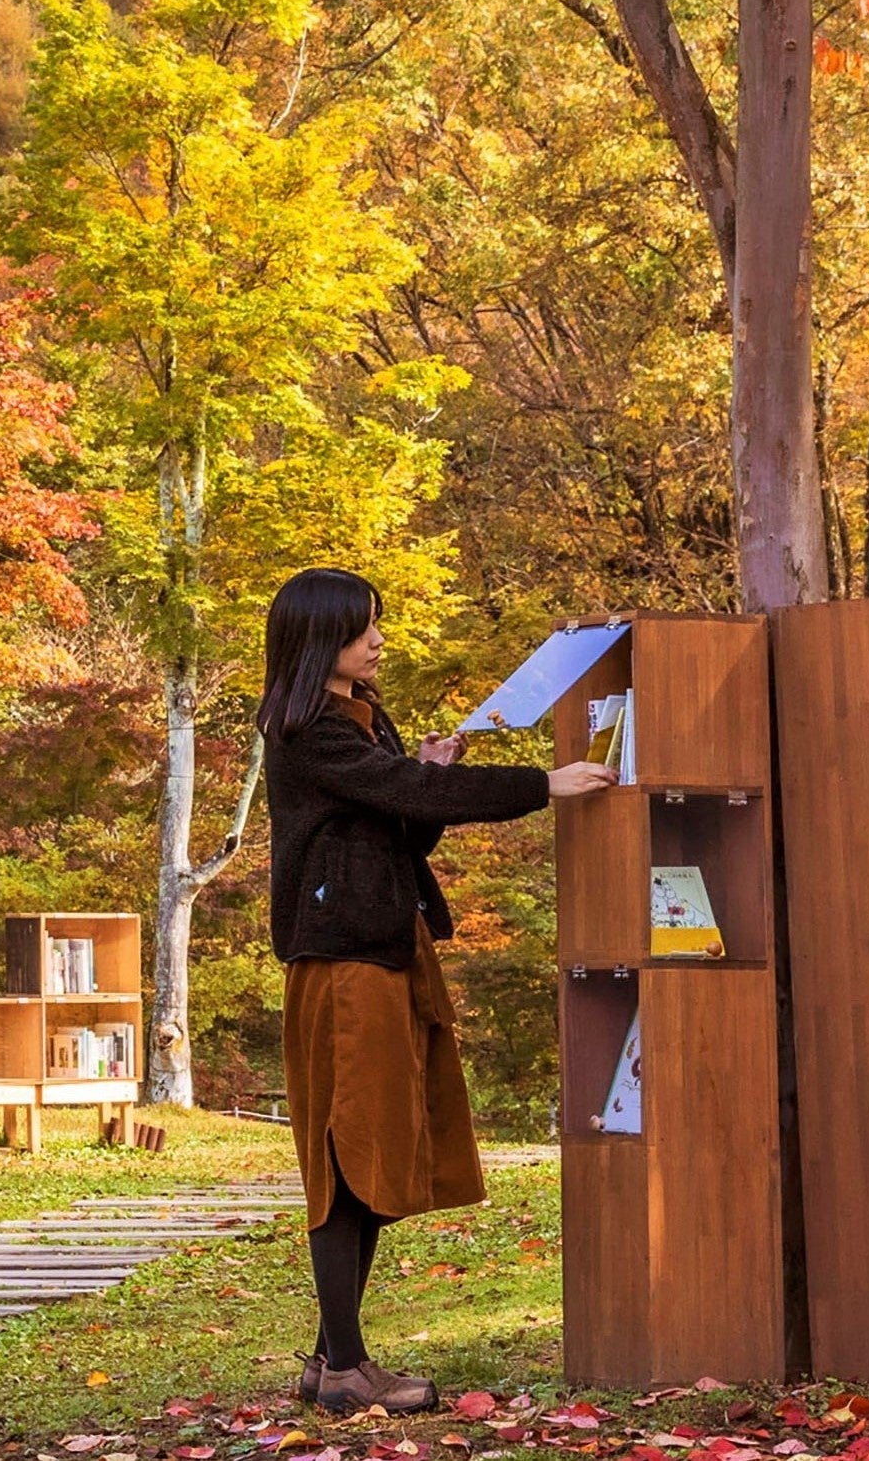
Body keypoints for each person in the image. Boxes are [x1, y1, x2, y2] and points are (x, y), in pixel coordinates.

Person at [259, 567, 618, 1415]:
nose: (377, 639)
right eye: (361, 630)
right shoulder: (310, 727)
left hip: (385, 949)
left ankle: (328, 1358)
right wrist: (541, 784)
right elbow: (409, 796)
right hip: (342, 961)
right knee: (348, 1159)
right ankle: (345, 1367)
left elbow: (405, 816)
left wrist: (421, 768)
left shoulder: (360, 718)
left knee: (378, 1149)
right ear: (321, 641)